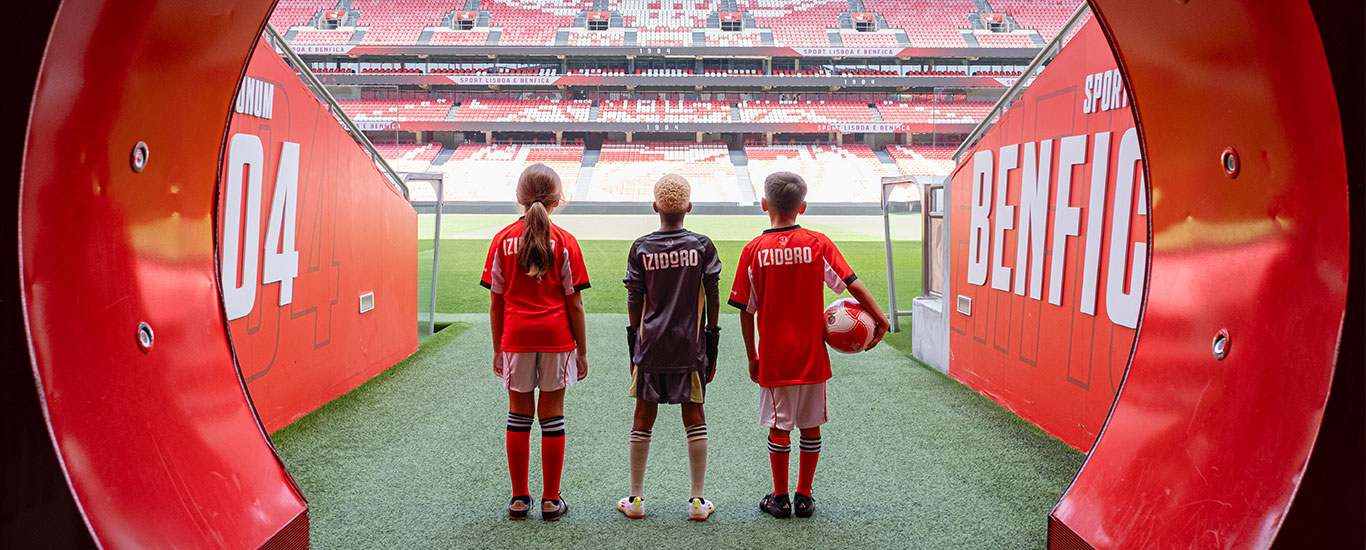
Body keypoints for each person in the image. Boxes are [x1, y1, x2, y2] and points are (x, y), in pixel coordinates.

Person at [729, 171, 890, 519]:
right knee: (810, 424)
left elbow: (744, 309)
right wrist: (881, 318)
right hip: (812, 355)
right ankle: (804, 497)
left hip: (775, 357)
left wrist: (752, 355)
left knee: (779, 425)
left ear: (764, 204)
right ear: (802, 207)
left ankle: (780, 498)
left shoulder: (753, 251)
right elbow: (852, 284)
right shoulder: (818, 243)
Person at [481, 164, 590, 521]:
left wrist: (498, 348)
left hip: (516, 338)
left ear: (519, 198)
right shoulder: (566, 242)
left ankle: (518, 499)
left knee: (518, 416)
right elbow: (575, 303)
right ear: (558, 200)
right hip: (557, 339)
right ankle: (550, 501)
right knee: (552, 417)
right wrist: (582, 351)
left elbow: (496, 302)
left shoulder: (502, 240)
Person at [616, 174, 723, 521]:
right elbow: (713, 294)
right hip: (689, 346)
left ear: (655, 207)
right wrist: (712, 335)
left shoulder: (641, 247)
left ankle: (635, 499)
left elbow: (634, 297)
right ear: (689, 207)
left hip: (650, 345)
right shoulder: (702, 246)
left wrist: (634, 338)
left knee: (643, 417)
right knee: (694, 416)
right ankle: (697, 501)